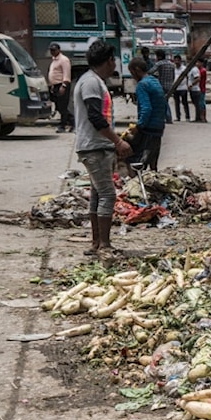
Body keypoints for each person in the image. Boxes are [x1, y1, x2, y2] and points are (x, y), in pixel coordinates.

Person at [73, 40, 132, 257]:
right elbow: (95, 116)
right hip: (94, 147)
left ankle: (97, 242)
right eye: (113, 59)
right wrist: (117, 141)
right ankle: (104, 245)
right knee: (108, 194)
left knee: (98, 195)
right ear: (109, 60)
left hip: (97, 146)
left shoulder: (93, 81)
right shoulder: (91, 83)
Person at [128, 56, 165, 171]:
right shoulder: (155, 81)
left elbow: (146, 109)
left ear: (137, 70)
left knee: (138, 162)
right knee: (153, 165)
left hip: (148, 129)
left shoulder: (142, 85)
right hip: (158, 128)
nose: (132, 77)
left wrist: (138, 126)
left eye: (132, 73)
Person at [47, 42, 72, 132]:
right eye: (51, 50)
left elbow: (66, 74)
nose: (52, 52)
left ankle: (62, 125)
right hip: (56, 85)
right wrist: (52, 85)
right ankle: (72, 121)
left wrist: (64, 86)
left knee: (63, 106)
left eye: (54, 50)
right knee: (58, 106)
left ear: (59, 50)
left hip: (62, 84)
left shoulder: (63, 60)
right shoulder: (54, 60)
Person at [150, 49, 176, 124]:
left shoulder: (159, 64)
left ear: (159, 56)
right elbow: (173, 76)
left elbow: (151, 71)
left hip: (161, 86)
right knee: (165, 101)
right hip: (170, 85)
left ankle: (168, 117)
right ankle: (166, 117)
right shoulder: (171, 64)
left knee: (163, 102)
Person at [188, 58, 207, 123]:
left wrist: (191, 84)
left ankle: (202, 118)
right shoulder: (199, 70)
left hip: (201, 88)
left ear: (201, 63)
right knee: (199, 104)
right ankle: (199, 117)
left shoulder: (202, 71)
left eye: (198, 62)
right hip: (199, 88)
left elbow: (198, 78)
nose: (197, 64)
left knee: (201, 104)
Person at [172, 54, 191, 121]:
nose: (176, 62)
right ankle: (178, 117)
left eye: (178, 60)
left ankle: (187, 117)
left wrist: (188, 85)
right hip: (175, 88)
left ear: (180, 61)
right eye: (175, 60)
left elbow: (188, 77)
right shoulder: (173, 68)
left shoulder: (184, 68)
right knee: (176, 103)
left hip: (183, 88)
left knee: (184, 103)